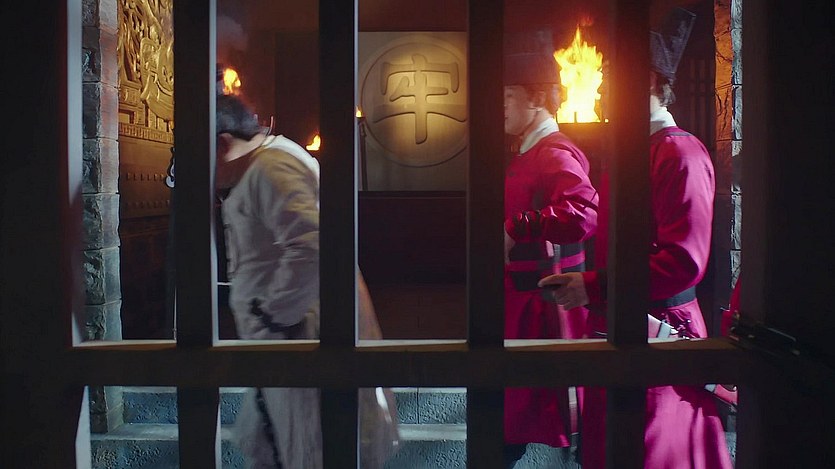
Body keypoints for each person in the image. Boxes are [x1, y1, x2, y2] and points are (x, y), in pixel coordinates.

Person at [538, 9, 733, 469]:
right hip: (624, 327)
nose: (598, 90)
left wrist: (595, 285)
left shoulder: (678, 153)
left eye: (608, 78)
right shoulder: (636, 151)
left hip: (661, 333)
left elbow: (683, 262)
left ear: (645, 81)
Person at [214, 94, 398, 468]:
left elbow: (312, 246)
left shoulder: (272, 167)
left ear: (223, 144)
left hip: (300, 335)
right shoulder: (264, 164)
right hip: (286, 340)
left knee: (310, 446)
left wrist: (274, 315)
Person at [502, 51, 599, 468]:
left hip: (541, 312)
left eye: (508, 97)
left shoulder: (553, 152)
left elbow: (583, 212)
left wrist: (517, 227)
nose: (500, 107)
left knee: (517, 424)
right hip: (522, 307)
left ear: (538, 98)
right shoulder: (529, 151)